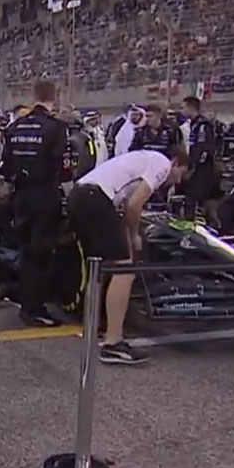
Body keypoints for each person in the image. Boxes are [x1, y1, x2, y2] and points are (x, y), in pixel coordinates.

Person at [70, 150, 189, 364]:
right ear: (176, 162)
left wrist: (127, 235)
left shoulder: (140, 160)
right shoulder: (162, 164)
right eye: (181, 173)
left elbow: (124, 208)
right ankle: (113, 343)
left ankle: (94, 325)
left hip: (80, 195)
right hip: (96, 198)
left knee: (99, 267)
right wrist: (134, 237)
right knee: (124, 271)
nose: (177, 179)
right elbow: (135, 205)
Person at [1, 79, 71, 327]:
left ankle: (28, 302)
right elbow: (63, 169)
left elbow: (6, 168)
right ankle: (35, 307)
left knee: (26, 250)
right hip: (44, 195)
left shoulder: (15, 127)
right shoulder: (56, 128)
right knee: (41, 253)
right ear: (55, 97)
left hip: (21, 196)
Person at [179, 96, 220, 223]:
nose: (182, 111)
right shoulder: (193, 124)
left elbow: (205, 149)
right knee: (190, 196)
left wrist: (194, 168)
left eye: (183, 107)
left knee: (195, 196)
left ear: (191, 107)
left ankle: (199, 221)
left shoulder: (202, 125)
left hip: (202, 168)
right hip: (194, 165)